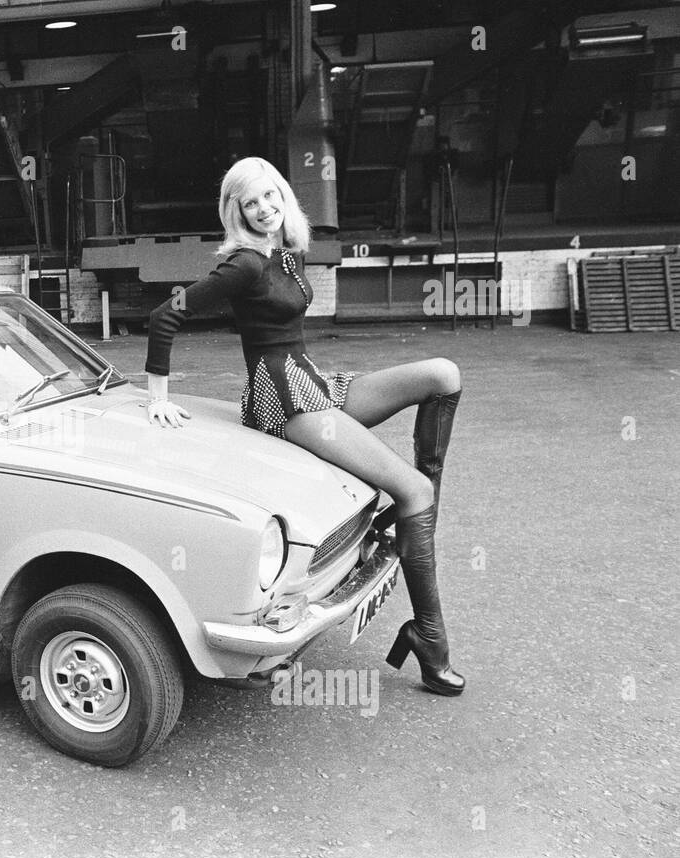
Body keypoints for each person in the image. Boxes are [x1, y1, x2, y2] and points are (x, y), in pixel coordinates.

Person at [144, 156, 465, 696]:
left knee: (442, 375)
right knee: (414, 489)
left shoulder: (286, 251)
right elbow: (164, 315)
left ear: (283, 195)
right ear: (237, 211)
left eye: (271, 196)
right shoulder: (244, 263)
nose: (265, 208)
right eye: (251, 203)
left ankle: (411, 514)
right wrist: (158, 398)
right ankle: (428, 638)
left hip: (313, 382)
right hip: (285, 401)